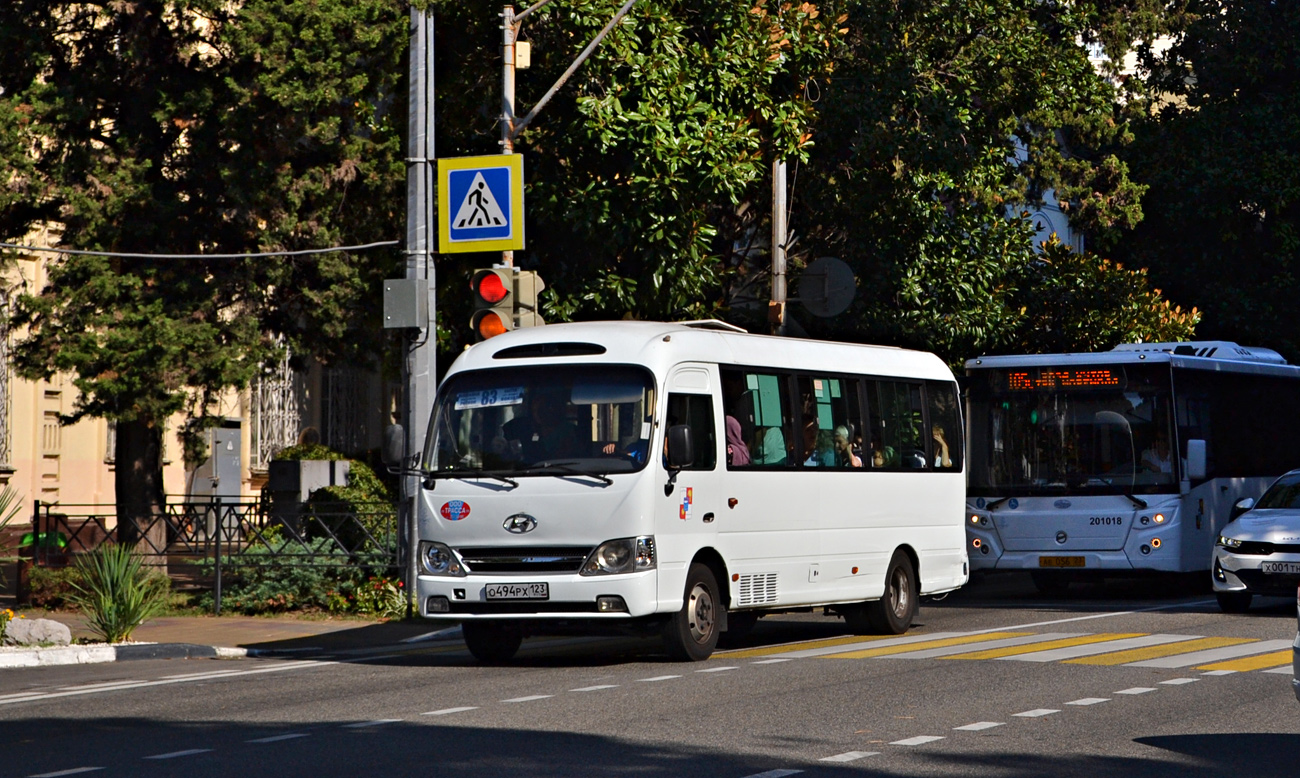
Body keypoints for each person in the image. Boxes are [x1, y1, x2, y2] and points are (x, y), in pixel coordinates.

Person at [503, 392, 580, 463]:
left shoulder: (567, 430)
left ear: (551, 410)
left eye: (541, 410)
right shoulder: (530, 429)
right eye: (534, 411)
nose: (537, 414)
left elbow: (563, 455)